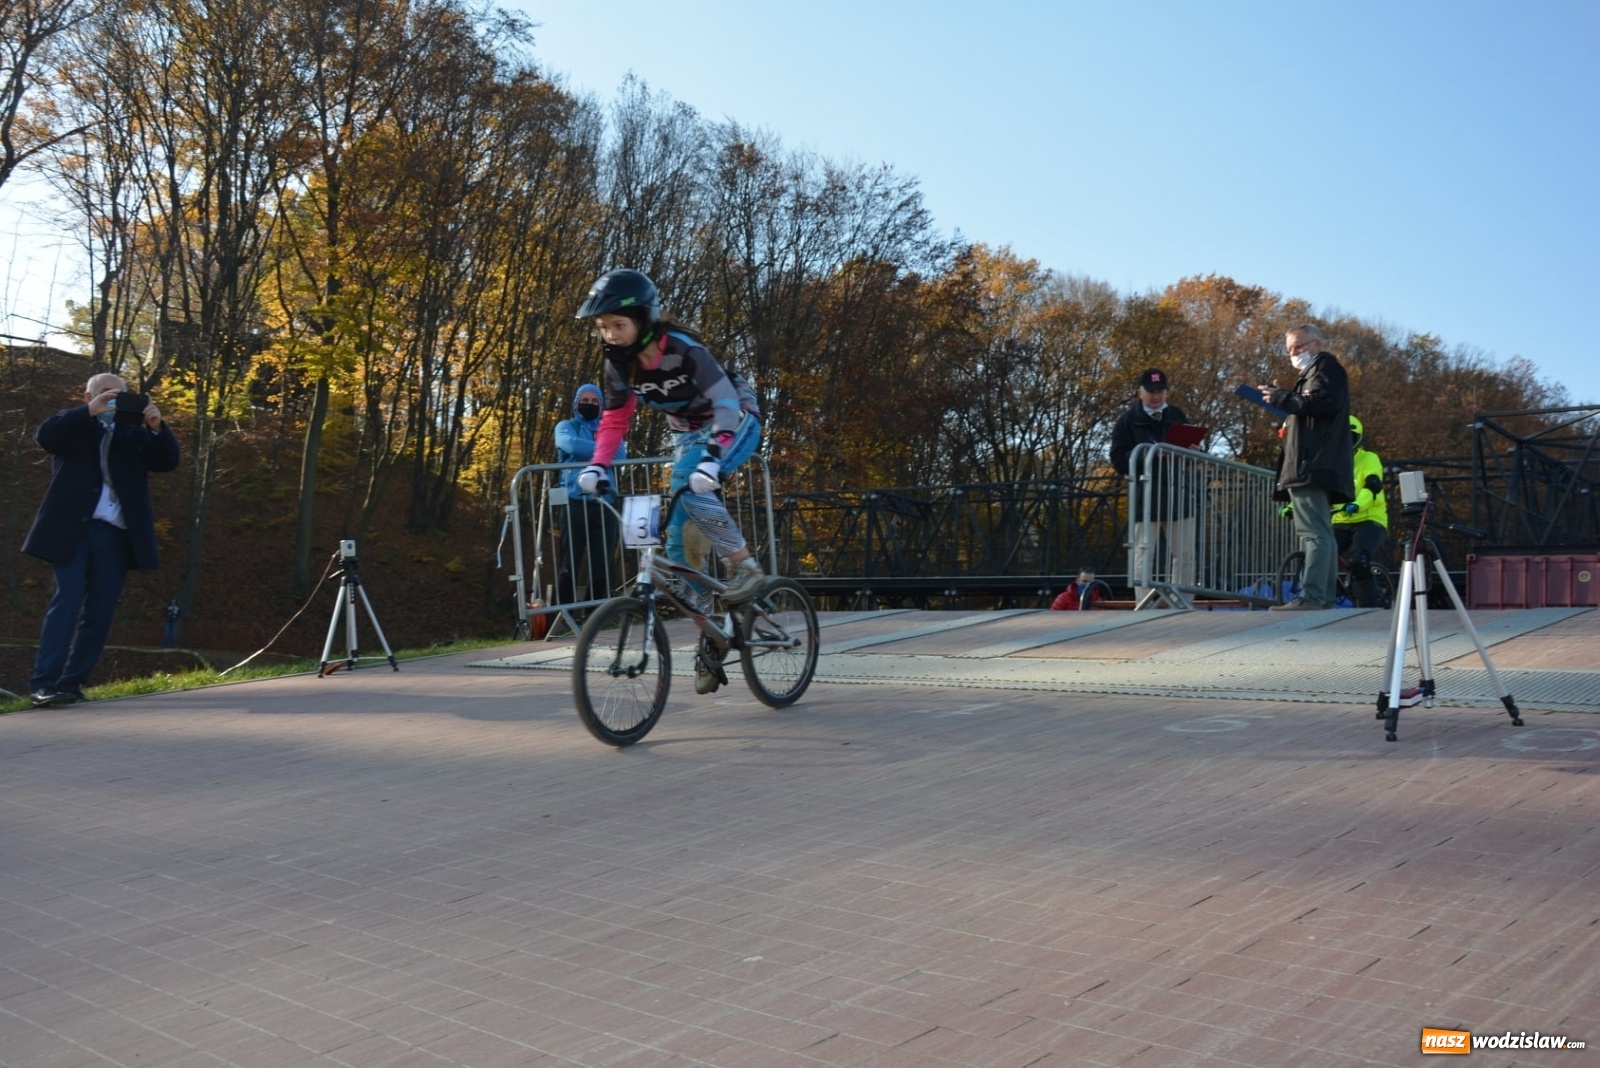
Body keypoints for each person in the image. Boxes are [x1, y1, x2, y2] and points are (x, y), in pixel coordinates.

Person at [573, 268, 764, 694]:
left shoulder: (683, 348)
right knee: (679, 549)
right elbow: (615, 420)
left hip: (733, 420)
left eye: (618, 325)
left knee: (697, 496)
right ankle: (711, 638)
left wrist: (713, 459)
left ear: (644, 320)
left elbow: (726, 401)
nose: (610, 334)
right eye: (603, 327)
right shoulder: (617, 366)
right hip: (687, 434)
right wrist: (597, 466)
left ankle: (747, 569)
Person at [23, 373, 181, 706]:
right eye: (106, 394)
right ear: (88, 396)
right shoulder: (74, 426)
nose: (113, 400)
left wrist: (156, 426)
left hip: (115, 534)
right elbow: (45, 437)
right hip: (73, 531)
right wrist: (88, 413)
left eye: (120, 395)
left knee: (101, 611)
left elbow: (167, 462)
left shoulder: (133, 435)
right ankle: (44, 683)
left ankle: (71, 684)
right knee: (66, 602)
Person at [1258, 325, 1354, 610]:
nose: (1293, 354)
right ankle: (1322, 597)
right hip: (1318, 463)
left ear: (1317, 344)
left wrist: (1283, 399)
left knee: (1313, 533)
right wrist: (1284, 398)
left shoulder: (1325, 369)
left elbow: (1321, 403)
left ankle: (1312, 596)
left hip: (1311, 464)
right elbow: (1314, 406)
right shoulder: (1319, 373)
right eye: (1289, 349)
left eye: (1298, 347)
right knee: (1322, 533)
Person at [1108, 367, 1197, 602]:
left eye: (1160, 391)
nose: (1156, 396)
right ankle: (1144, 603)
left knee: (1185, 554)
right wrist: (1149, 456)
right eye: (1151, 391)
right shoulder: (1127, 420)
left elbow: (1190, 456)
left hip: (1178, 494)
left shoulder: (1177, 415)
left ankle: (1183, 601)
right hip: (1144, 497)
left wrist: (1195, 451)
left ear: (1167, 393)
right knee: (1143, 554)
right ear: (1140, 392)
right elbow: (1118, 459)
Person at [553, 383, 625, 612]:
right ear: (576, 403)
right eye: (585, 400)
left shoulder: (609, 428)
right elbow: (568, 444)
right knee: (569, 562)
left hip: (605, 501)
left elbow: (622, 454)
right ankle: (563, 614)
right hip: (574, 501)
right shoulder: (566, 426)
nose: (590, 404)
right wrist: (604, 450)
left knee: (602, 561)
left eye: (595, 401)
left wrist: (600, 448)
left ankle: (597, 616)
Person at [1333, 415, 1388, 606]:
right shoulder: (1332, 462)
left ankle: (1369, 605)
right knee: (1321, 553)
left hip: (1370, 519)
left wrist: (1358, 504)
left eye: (1350, 438)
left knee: (1358, 559)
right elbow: (1316, 488)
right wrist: (1292, 505)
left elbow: (1372, 485)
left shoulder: (1370, 458)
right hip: (1340, 520)